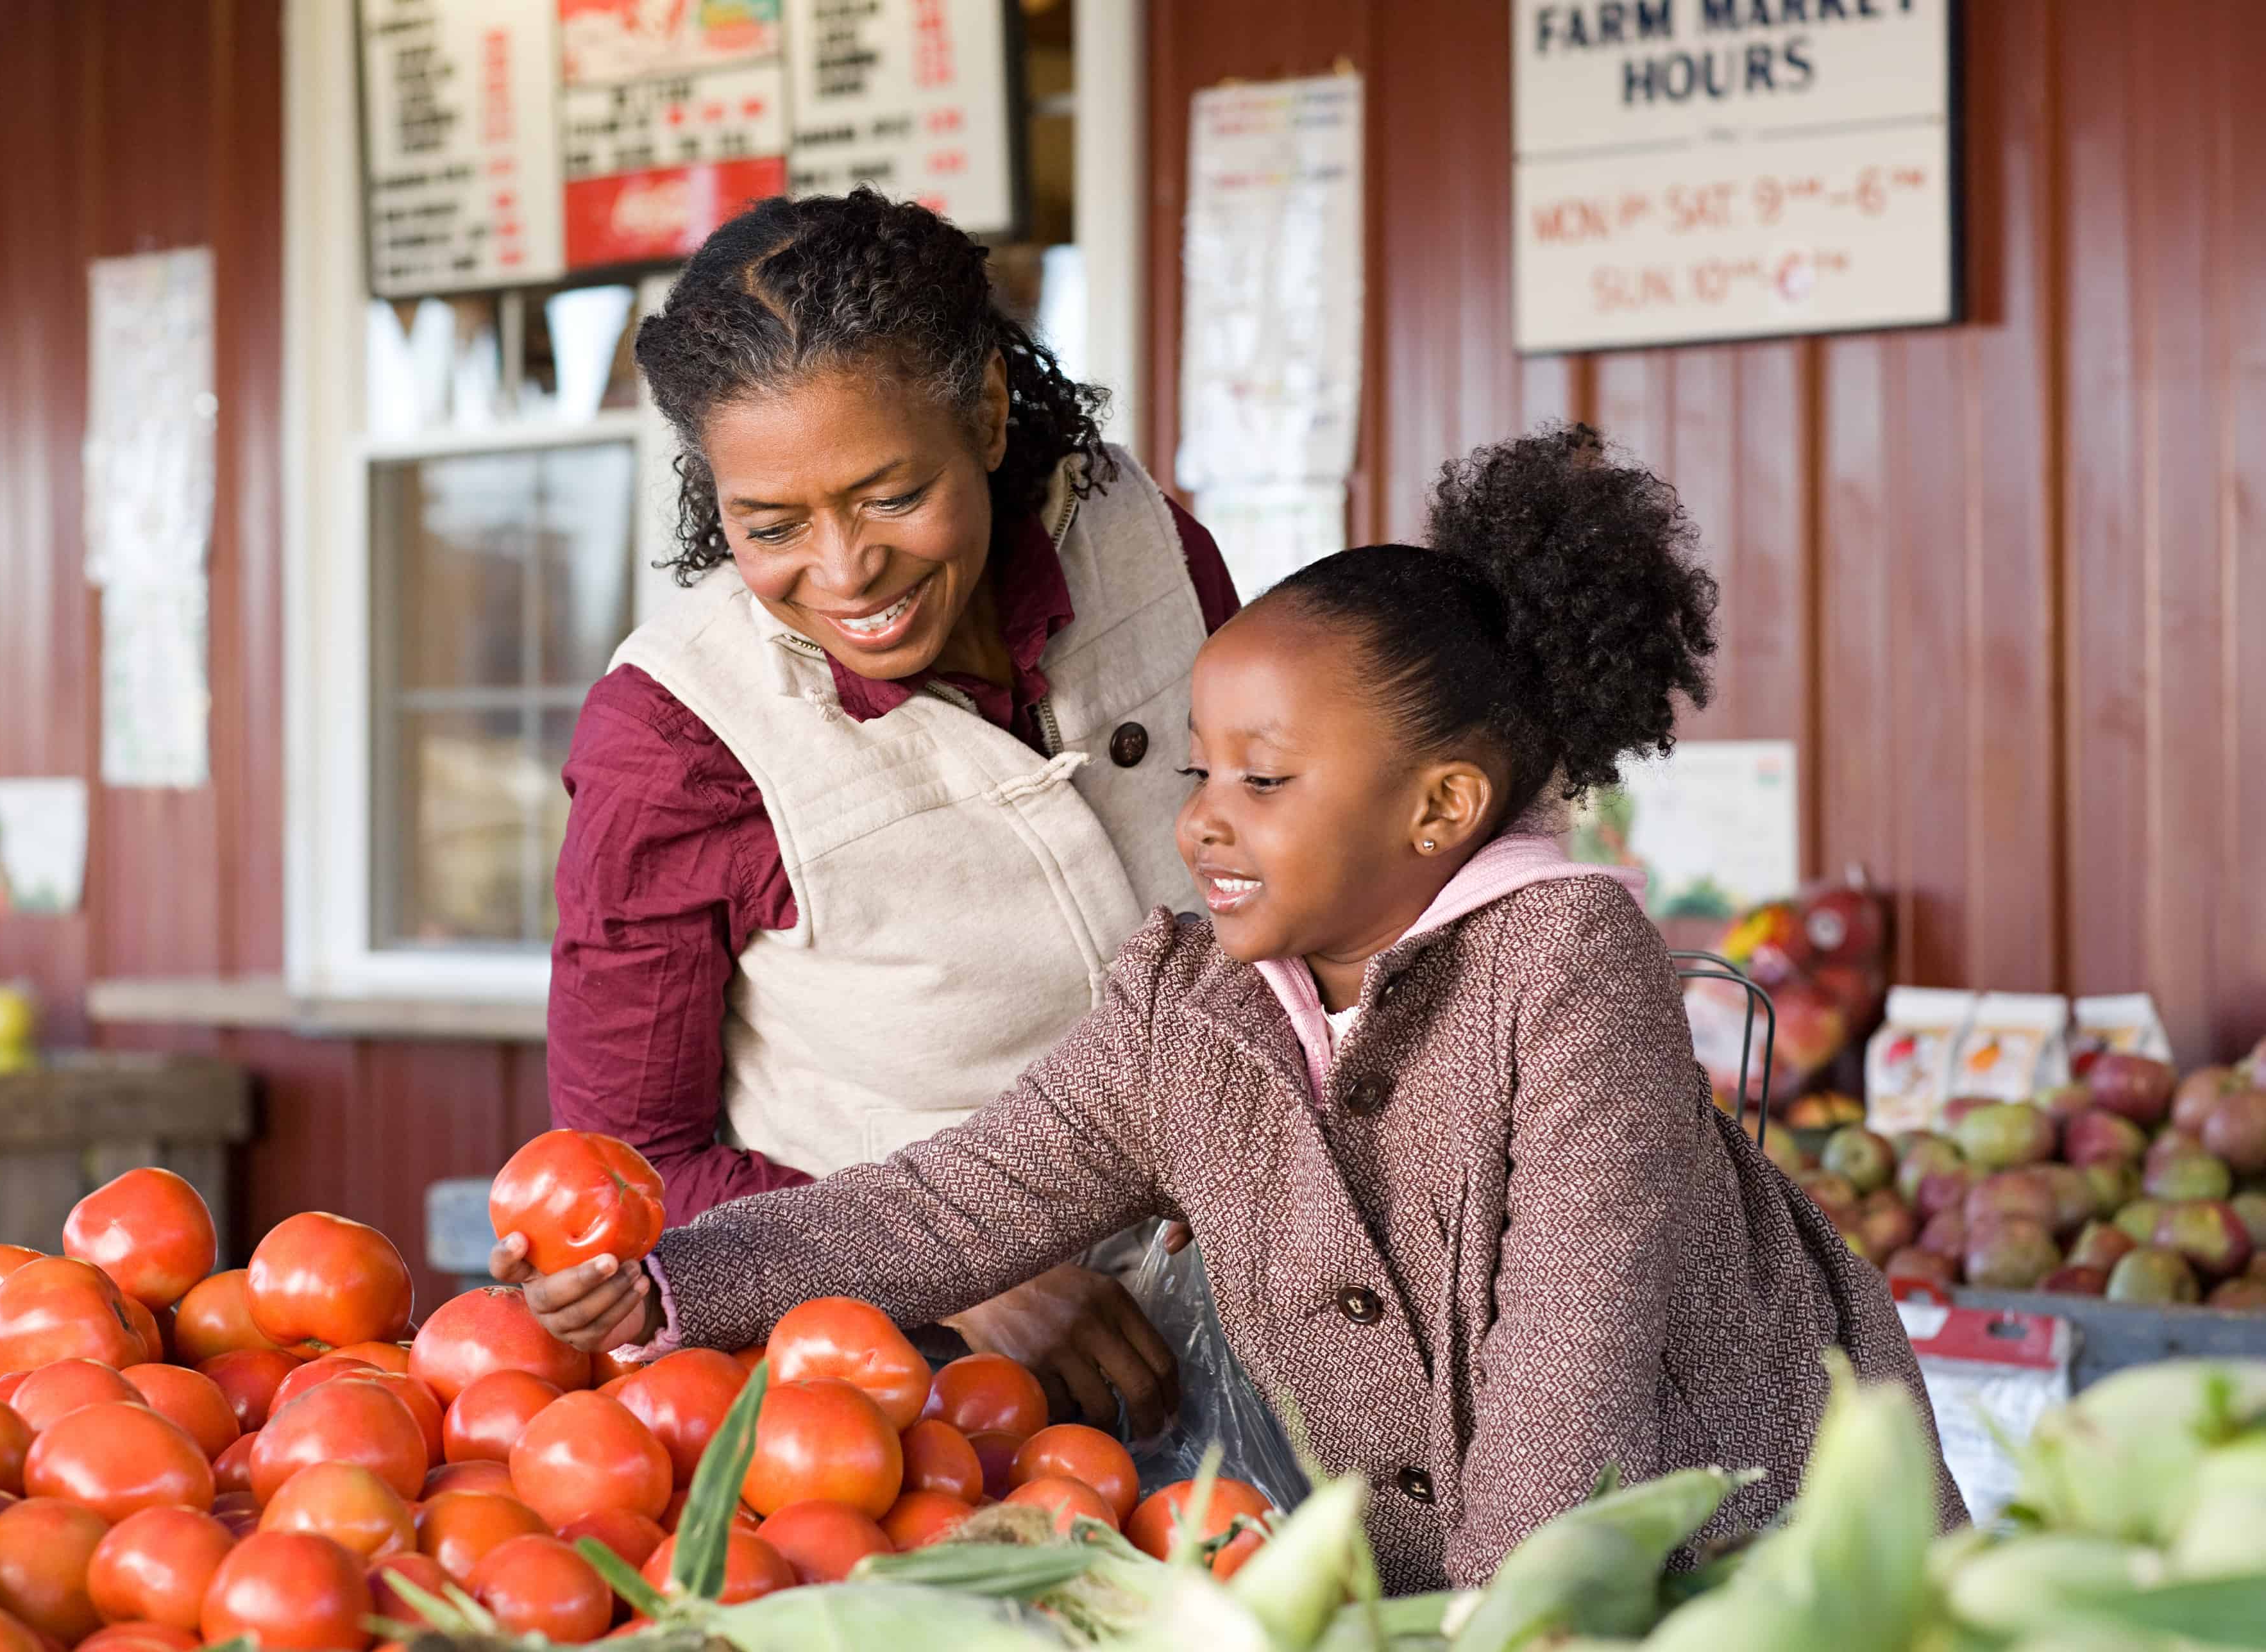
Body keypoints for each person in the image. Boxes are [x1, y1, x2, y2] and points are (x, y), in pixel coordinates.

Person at [552, 425, 1966, 1589]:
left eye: (1265, 783)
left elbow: (1570, 1354)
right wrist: (681, 1278)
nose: (1206, 826)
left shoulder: (1568, 968)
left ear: (1442, 807)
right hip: (1472, 1600)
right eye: (1197, 777)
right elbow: (946, 1203)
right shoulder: (1191, 1001)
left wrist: (1508, 1618)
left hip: (1737, 1566)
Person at [496, 190, 1240, 1433]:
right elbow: (630, 1171)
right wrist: (966, 1258)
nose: (845, 573)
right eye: (771, 525)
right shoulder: (675, 739)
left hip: (1275, 1308)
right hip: (909, 1400)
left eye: (892, 495)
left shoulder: (1142, 540)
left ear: (991, 415)